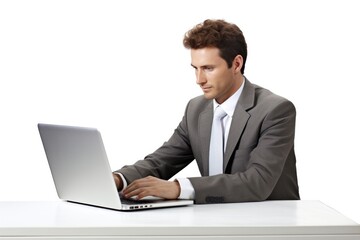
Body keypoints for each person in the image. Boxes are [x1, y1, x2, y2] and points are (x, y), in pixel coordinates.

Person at [113, 19, 300, 204]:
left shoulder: (275, 110)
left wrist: (179, 188)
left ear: (236, 64)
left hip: (270, 223)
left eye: (208, 68)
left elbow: (257, 182)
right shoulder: (196, 109)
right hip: (213, 220)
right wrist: (118, 179)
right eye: (195, 69)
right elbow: (162, 161)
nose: (199, 79)